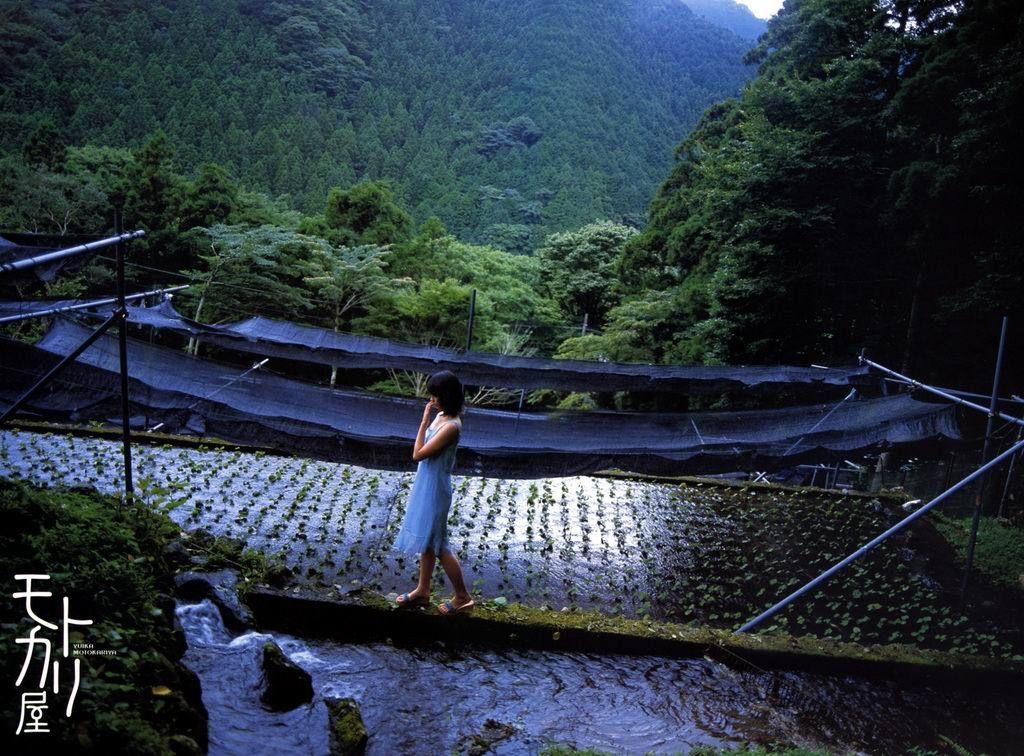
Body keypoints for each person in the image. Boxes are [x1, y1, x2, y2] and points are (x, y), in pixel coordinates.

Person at [393, 370, 475, 615]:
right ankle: (423, 590)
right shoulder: (440, 415)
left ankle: (463, 596)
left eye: (437, 395)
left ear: (447, 396)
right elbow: (421, 453)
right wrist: (427, 418)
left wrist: (423, 422)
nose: (433, 400)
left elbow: (418, 454)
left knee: (439, 545)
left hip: (436, 489)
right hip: (425, 483)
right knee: (427, 542)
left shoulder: (451, 426)